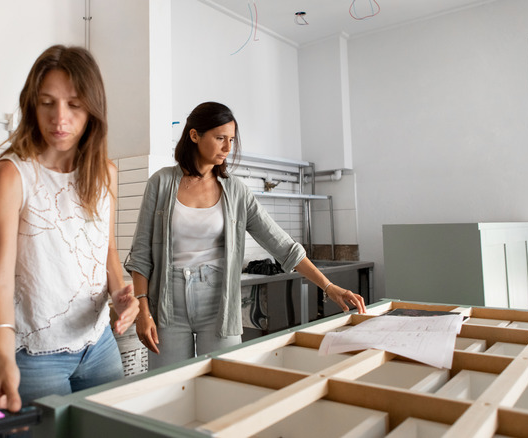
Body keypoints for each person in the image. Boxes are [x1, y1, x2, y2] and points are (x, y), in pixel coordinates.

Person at [124, 101, 366, 370]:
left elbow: (282, 245)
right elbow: (141, 254)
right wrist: (142, 309)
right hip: (167, 303)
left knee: (223, 383)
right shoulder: (160, 183)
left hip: (219, 303)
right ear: (194, 135)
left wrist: (329, 287)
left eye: (231, 140)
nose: (228, 148)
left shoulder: (236, 191)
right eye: (220, 139)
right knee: (166, 386)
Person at [0, 45, 139, 412]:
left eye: (74, 105)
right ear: (32, 104)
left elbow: (106, 251)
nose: (59, 118)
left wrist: (121, 294)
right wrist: (1, 356)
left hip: (99, 346)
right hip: (35, 356)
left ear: (92, 109)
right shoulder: (12, 174)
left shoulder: (105, 172)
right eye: (47, 102)